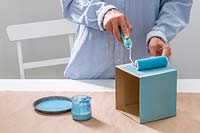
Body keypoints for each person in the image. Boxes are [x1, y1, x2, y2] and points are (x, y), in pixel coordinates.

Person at [61, 0, 192, 79]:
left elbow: (178, 2)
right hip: (91, 75)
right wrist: (102, 12)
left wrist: (161, 32)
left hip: (147, 74)